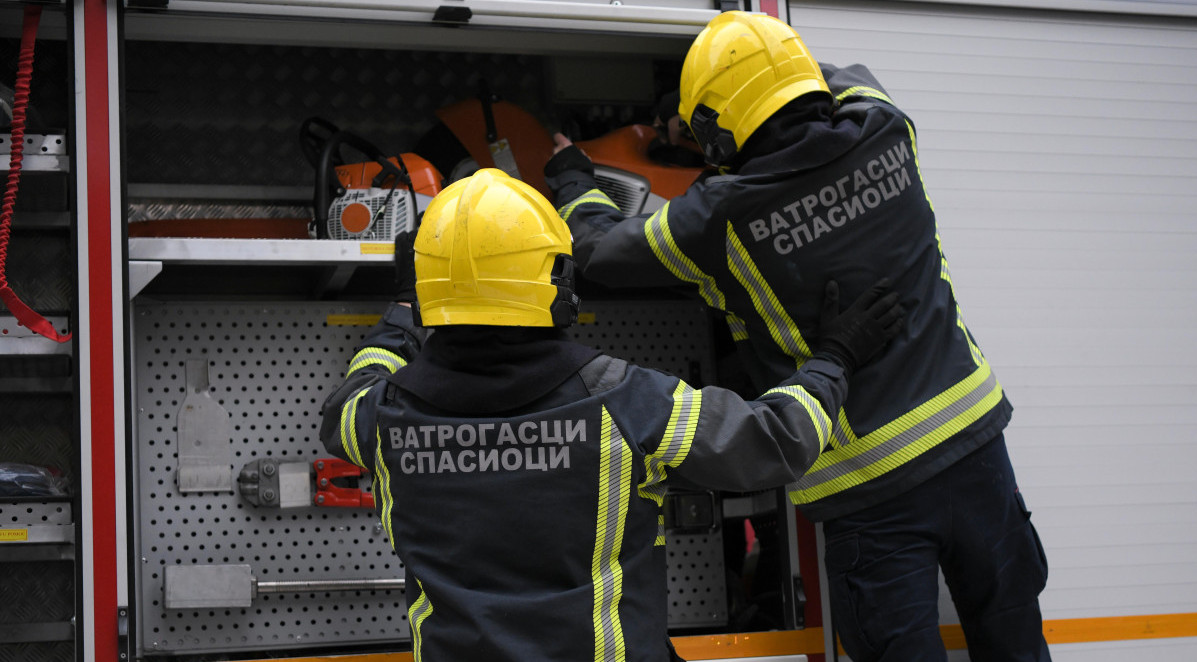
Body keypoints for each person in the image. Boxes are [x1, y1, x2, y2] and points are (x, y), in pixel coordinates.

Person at [542, 11, 1050, 662]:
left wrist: (572, 177)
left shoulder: (715, 218)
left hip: (869, 489)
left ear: (714, 129)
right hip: (977, 447)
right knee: (1015, 644)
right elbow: (835, 81)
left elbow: (597, 249)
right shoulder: (884, 124)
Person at [317, 167, 905, 661]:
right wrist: (836, 357)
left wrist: (400, 313)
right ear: (556, 279)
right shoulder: (624, 401)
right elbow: (778, 441)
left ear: (427, 291)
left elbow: (346, 403)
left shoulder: (381, 418)